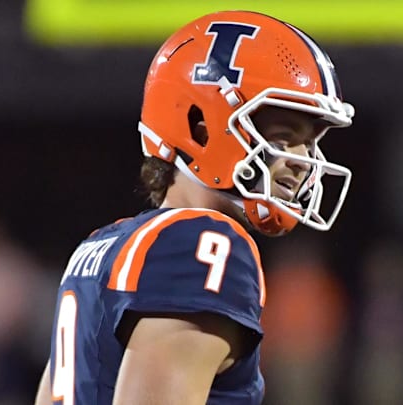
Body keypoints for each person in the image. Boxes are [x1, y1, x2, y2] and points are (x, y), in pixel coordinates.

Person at [34, 10, 355, 405]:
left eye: (309, 143)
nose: (302, 161)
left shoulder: (101, 246)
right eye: (284, 137)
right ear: (201, 126)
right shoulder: (206, 243)